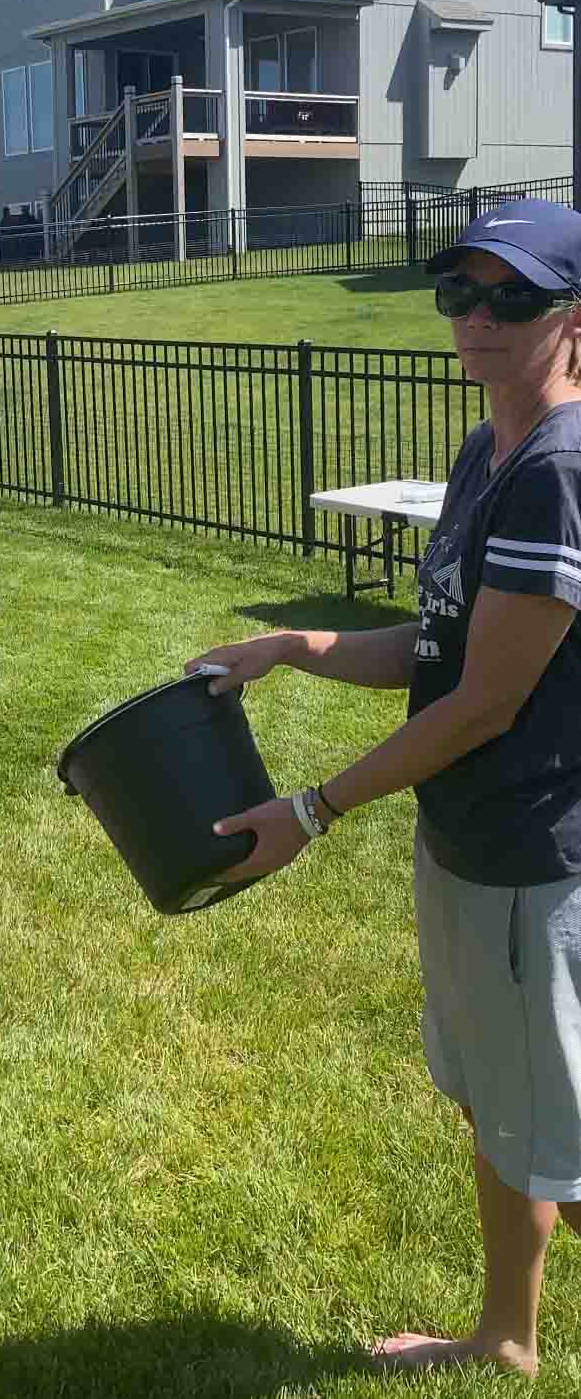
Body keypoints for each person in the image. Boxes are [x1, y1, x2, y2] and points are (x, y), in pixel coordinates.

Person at [188, 199, 581, 1379]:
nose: (478, 316)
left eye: (512, 295)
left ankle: (508, 1333)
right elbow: (445, 645)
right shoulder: (487, 448)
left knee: (556, 1132)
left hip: (533, 854)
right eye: (460, 291)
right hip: (468, 840)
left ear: (573, 315)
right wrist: (297, 643)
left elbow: (485, 703)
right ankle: (507, 1334)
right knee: (498, 1113)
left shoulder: (560, 471)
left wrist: (311, 809)